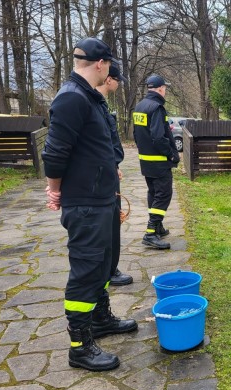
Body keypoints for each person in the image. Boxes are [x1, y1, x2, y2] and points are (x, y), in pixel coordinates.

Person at [42, 37, 137, 372]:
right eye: (109, 65)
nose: (109, 71)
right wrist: (55, 190)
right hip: (85, 203)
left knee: (105, 263)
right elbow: (54, 153)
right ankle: (80, 346)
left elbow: (97, 145)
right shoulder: (71, 98)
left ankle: (100, 318)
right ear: (100, 64)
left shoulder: (90, 97)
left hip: (102, 198)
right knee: (86, 271)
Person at [95, 62, 133, 286]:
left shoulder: (101, 105)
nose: (119, 85)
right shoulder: (92, 104)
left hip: (109, 171)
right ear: (109, 79)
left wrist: (114, 165)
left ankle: (111, 269)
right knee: (108, 227)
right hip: (100, 179)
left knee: (113, 224)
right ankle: (109, 271)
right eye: (118, 80)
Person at [133, 74, 179, 250]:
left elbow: (137, 135)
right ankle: (151, 232)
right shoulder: (157, 108)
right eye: (165, 88)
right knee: (164, 194)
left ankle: (158, 226)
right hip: (159, 161)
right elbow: (159, 137)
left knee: (153, 192)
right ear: (160, 89)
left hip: (146, 160)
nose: (165, 91)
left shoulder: (140, 106)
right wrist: (170, 154)